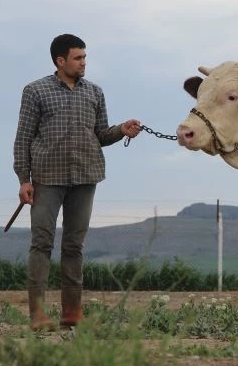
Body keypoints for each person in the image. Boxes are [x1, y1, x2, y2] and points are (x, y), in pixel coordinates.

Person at [13, 33, 142, 330]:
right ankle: (38, 315)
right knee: (41, 244)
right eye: (78, 58)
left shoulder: (95, 92)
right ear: (61, 61)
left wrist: (121, 129)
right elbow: (23, 138)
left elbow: (101, 135)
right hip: (46, 178)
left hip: (86, 176)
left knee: (74, 246)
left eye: (85, 57)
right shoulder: (35, 91)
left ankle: (71, 313)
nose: (84, 63)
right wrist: (24, 179)